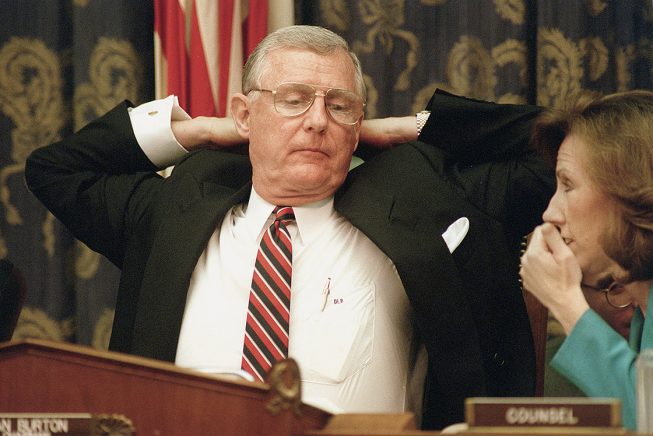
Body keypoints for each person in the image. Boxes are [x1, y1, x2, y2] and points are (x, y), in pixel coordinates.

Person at [25, 25, 554, 429]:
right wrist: (201, 131)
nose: (319, 120)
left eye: (340, 106)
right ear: (245, 113)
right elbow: (55, 170)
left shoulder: (420, 199)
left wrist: (408, 127)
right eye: (294, 99)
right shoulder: (172, 211)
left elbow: (559, 151)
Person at [519, 90, 653, 430]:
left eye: (568, 184)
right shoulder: (643, 314)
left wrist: (565, 303)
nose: (550, 212)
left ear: (631, 188)